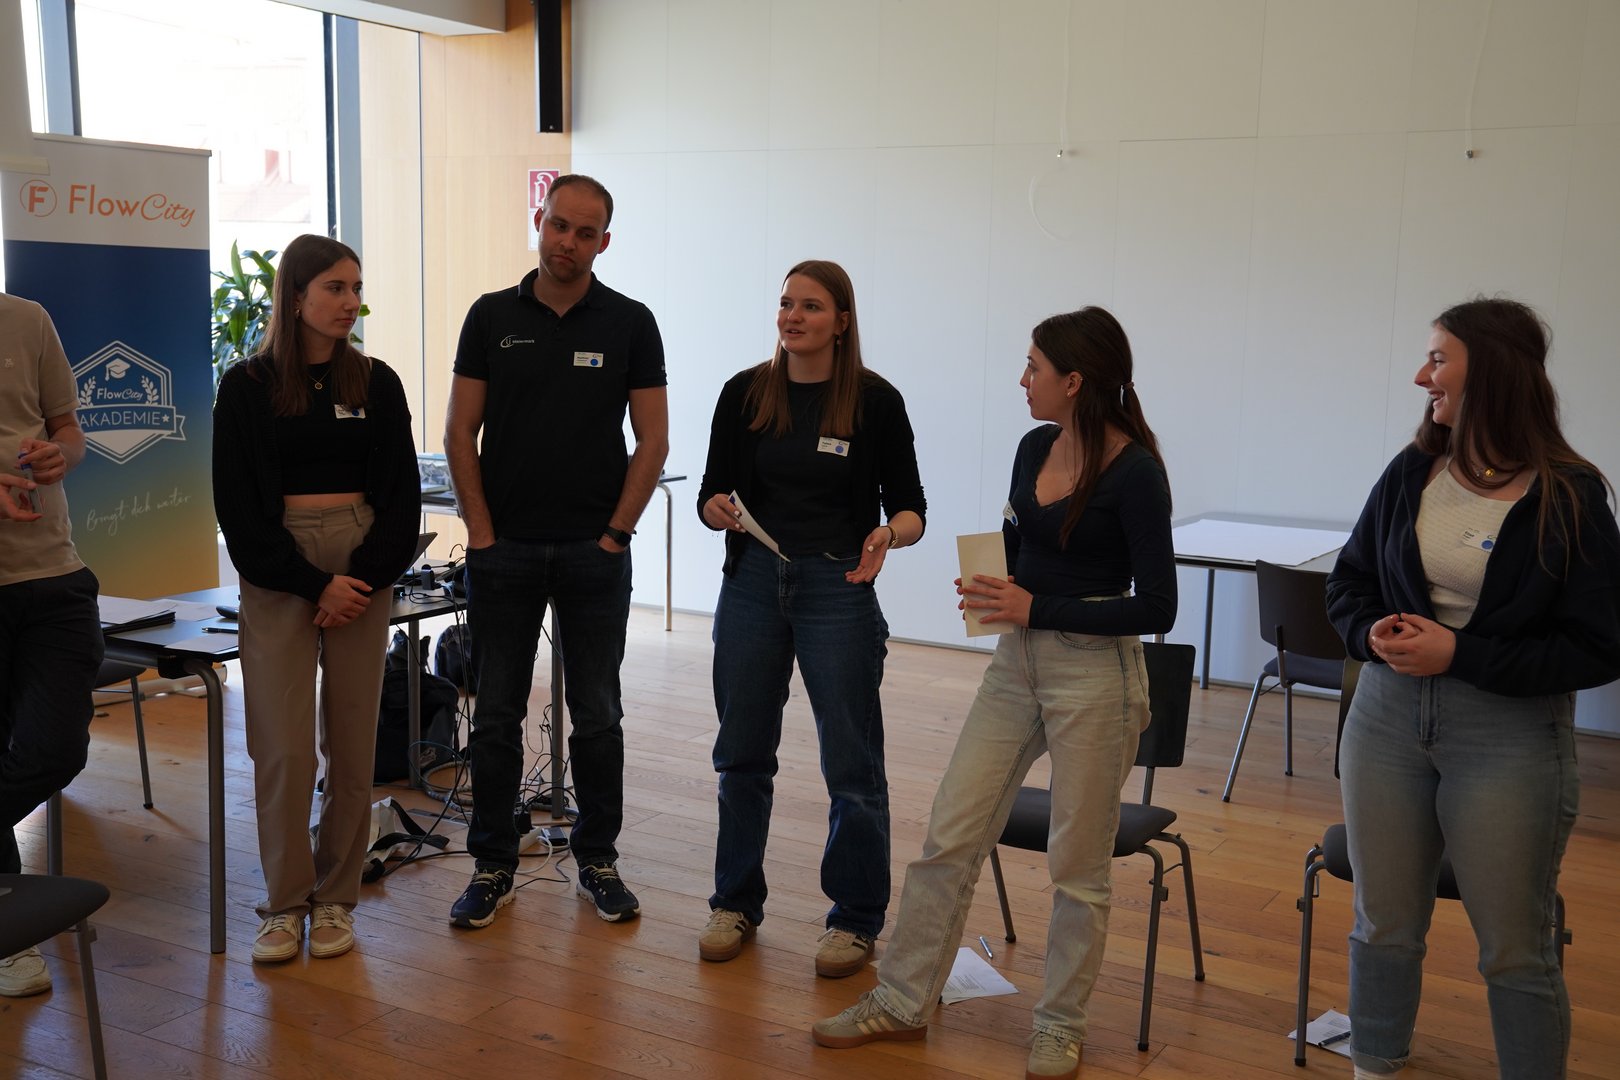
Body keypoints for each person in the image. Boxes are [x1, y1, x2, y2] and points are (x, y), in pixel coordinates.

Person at [812, 306, 1175, 1080]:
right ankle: (902, 999)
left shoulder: (1136, 473)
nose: (1022, 379)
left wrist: (1037, 606)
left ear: (1074, 381)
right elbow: (1017, 543)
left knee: (1078, 866)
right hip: (1018, 662)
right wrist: (993, 586)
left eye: (1034, 367)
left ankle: (1060, 1025)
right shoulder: (1034, 446)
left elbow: (1158, 606)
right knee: (950, 833)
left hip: (1096, 674)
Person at [1323, 297, 1620, 1080]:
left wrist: (1461, 652)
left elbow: (1598, 646)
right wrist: (1369, 633)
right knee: (1383, 925)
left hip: (1507, 736)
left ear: (1489, 370)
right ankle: (1373, 1066)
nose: (1422, 376)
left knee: (1514, 950)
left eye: (1438, 358)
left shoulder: (1569, 494)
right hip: (1385, 720)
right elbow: (1348, 582)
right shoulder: (1412, 471)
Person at [445, 173, 668, 928]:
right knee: (495, 715)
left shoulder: (631, 322)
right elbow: (459, 432)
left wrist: (616, 535)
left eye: (584, 232)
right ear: (539, 221)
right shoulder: (490, 316)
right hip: (503, 550)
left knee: (598, 715)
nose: (567, 242)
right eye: (558, 225)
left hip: (592, 554)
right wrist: (480, 532)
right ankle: (492, 865)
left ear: (603, 242)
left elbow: (653, 441)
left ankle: (597, 859)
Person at [695, 259, 926, 977]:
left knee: (852, 764)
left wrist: (889, 534)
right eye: (786, 303)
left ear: (842, 321)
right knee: (741, 755)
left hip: (838, 586)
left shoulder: (875, 401)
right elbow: (711, 494)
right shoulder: (744, 393)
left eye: (811, 306)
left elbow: (911, 508)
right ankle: (734, 902)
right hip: (753, 584)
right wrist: (715, 510)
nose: (793, 316)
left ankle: (854, 919)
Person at [213, 235, 421, 964]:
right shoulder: (247, 386)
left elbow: (401, 499)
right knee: (284, 750)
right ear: (296, 296)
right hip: (280, 566)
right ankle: (283, 904)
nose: (351, 302)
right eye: (336, 287)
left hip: (361, 562)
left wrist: (356, 581)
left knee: (353, 743)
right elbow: (239, 513)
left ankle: (336, 898)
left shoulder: (377, 382)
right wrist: (313, 584)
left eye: (356, 287)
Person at [0, 292, 103, 998]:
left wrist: (58, 454)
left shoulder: (27, 318)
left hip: (54, 575)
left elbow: (69, 431)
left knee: (58, 750)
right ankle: (10, 940)